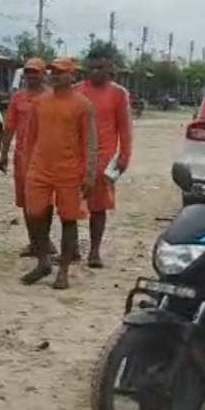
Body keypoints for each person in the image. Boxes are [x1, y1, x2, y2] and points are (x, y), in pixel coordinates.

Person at [21, 58, 98, 289]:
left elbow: (89, 142)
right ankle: (43, 261)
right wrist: (27, 166)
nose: (55, 76)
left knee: (68, 219)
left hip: (69, 170)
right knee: (35, 215)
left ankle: (63, 270)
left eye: (61, 72)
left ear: (72, 75)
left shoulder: (83, 105)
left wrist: (90, 172)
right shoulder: (40, 102)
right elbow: (30, 138)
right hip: (40, 168)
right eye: (52, 72)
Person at [76, 47, 133, 268]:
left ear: (110, 68)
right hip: (77, 155)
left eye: (101, 67)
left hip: (104, 158)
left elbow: (125, 128)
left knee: (98, 207)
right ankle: (70, 249)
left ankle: (94, 250)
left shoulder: (119, 94)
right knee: (69, 203)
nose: (96, 72)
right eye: (92, 68)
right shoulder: (77, 91)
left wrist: (124, 156)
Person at [0, 59, 50, 257]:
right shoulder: (18, 98)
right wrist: (3, 154)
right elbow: (9, 127)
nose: (31, 76)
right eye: (28, 72)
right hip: (22, 157)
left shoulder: (51, 97)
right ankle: (34, 242)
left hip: (47, 157)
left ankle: (44, 241)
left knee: (45, 203)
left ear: (43, 74)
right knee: (26, 201)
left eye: (35, 72)